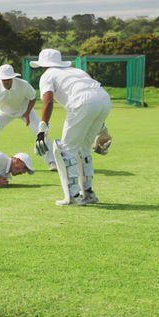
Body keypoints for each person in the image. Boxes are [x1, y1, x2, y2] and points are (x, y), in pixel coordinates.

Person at [31, 49, 111, 206]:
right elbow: (93, 97)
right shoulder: (76, 71)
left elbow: (48, 101)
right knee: (83, 149)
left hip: (82, 103)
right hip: (104, 100)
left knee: (64, 150)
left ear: (43, 66)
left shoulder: (47, 75)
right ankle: (88, 193)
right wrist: (101, 127)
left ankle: (73, 196)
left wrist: (42, 129)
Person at [0, 64, 56, 171]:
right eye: (3, 80)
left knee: (40, 132)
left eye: (8, 79)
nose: (6, 82)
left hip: (25, 110)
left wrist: (27, 113)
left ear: (13, 78)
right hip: (5, 112)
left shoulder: (23, 85)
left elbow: (32, 98)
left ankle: (52, 162)